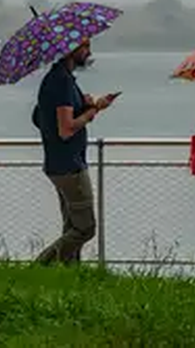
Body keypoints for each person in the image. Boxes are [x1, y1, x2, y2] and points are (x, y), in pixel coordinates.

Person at [33, 39, 118, 265]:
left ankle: (70, 272)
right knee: (85, 228)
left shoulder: (60, 80)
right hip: (69, 166)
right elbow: (65, 129)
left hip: (60, 163)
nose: (88, 51)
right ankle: (42, 264)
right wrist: (90, 113)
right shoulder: (60, 82)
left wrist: (87, 104)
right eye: (84, 46)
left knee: (72, 225)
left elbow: (39, 117)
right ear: (68, 50)